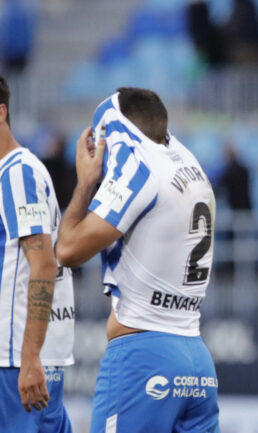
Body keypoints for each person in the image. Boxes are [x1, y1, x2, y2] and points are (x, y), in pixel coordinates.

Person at [56, 88, 219, 433]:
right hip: (197, 359)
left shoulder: (139, 170)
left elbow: (67, 250)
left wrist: (85, 183)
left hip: (144, 356)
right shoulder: (190, 163)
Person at [0, 75, 74, 431]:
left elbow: (43, 264)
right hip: (27, 357)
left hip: (16, 360)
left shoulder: (17, 174)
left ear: (1, 113)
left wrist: (29, 357)